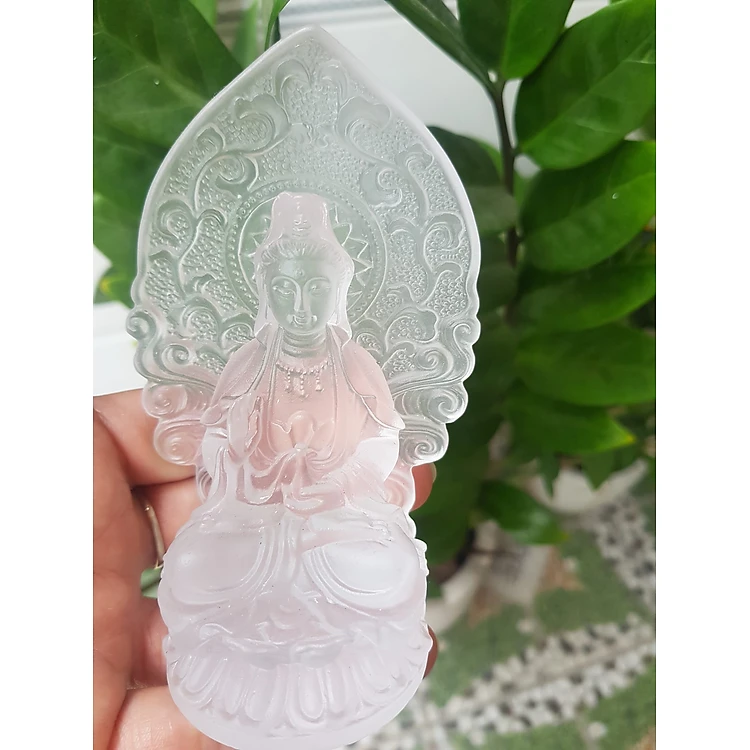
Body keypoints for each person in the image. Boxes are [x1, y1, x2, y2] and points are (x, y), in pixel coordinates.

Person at [93, 395, 436, 750]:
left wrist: (333, 490)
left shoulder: (355, 379)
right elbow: (224, 457)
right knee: (191, 560)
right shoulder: (244, 382)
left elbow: (378, 447)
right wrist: (257, 478)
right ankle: (231, 660)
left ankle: (353, 649)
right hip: (254, 524)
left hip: (334, 526)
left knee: (393, 559)